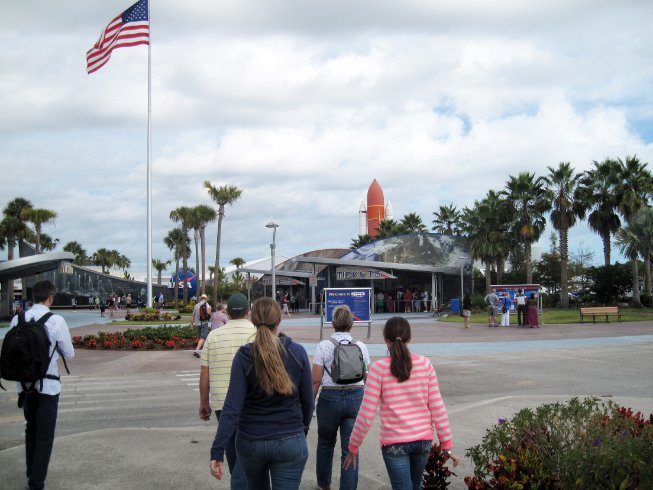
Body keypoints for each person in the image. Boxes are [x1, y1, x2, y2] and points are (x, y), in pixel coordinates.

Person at [343, 317, 459, 490]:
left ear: (385, 339)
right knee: (416, 485)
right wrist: (446, 446)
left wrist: (353, 446)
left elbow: (366, 414)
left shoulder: (378, 369)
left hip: (394, 443)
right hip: (423, 442)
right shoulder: (425, 364)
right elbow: (437, 407)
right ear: (410, 338)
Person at [210, 297, 314, 489]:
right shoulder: (297, 353)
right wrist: (302, 429)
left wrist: (218, 450)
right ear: (279, 320)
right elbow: (308, 401)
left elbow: (232, 408)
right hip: (290, 439)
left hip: (251, 441)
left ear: (253, 320)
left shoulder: (243, 356)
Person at [10, 280, 75, 490]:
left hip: (24, 386)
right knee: (45, 435)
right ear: (51, 297)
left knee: (31, 430)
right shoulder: (56, 321)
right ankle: (36, 482)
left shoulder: (17, 319)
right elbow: (69, 354)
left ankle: (31, 472)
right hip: (48, 386)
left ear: (32, 297)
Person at [199, 293, 256, 488]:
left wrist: (204, 402)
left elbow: (205, 373)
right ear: (248, 312)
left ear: (228, 313)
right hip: (252, 405)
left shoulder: (214, 336)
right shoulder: (258, 333)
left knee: (233, 454)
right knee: (248, 456)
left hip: (223, 403)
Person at [312, 305, 371, 490]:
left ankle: (324, 484)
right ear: (351, 324)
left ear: (334, 323)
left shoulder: (323, 346)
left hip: (329, 398)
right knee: (350, 448)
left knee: (325, 443)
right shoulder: (361, 346)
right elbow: (366, 376)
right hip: (355, 397)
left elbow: (315, 380)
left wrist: (309, 405)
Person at [192, 294, 211, 358]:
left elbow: (193, 315)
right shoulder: (207, 304)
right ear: (205, 299)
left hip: (197, 323)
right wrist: (210, 310)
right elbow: (208, 313)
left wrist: (192, 324)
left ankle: (205, 350)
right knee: (203, 337)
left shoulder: (196, 305)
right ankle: (196, 351)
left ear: (201, 298)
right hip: (204, 322)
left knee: (201, 337)